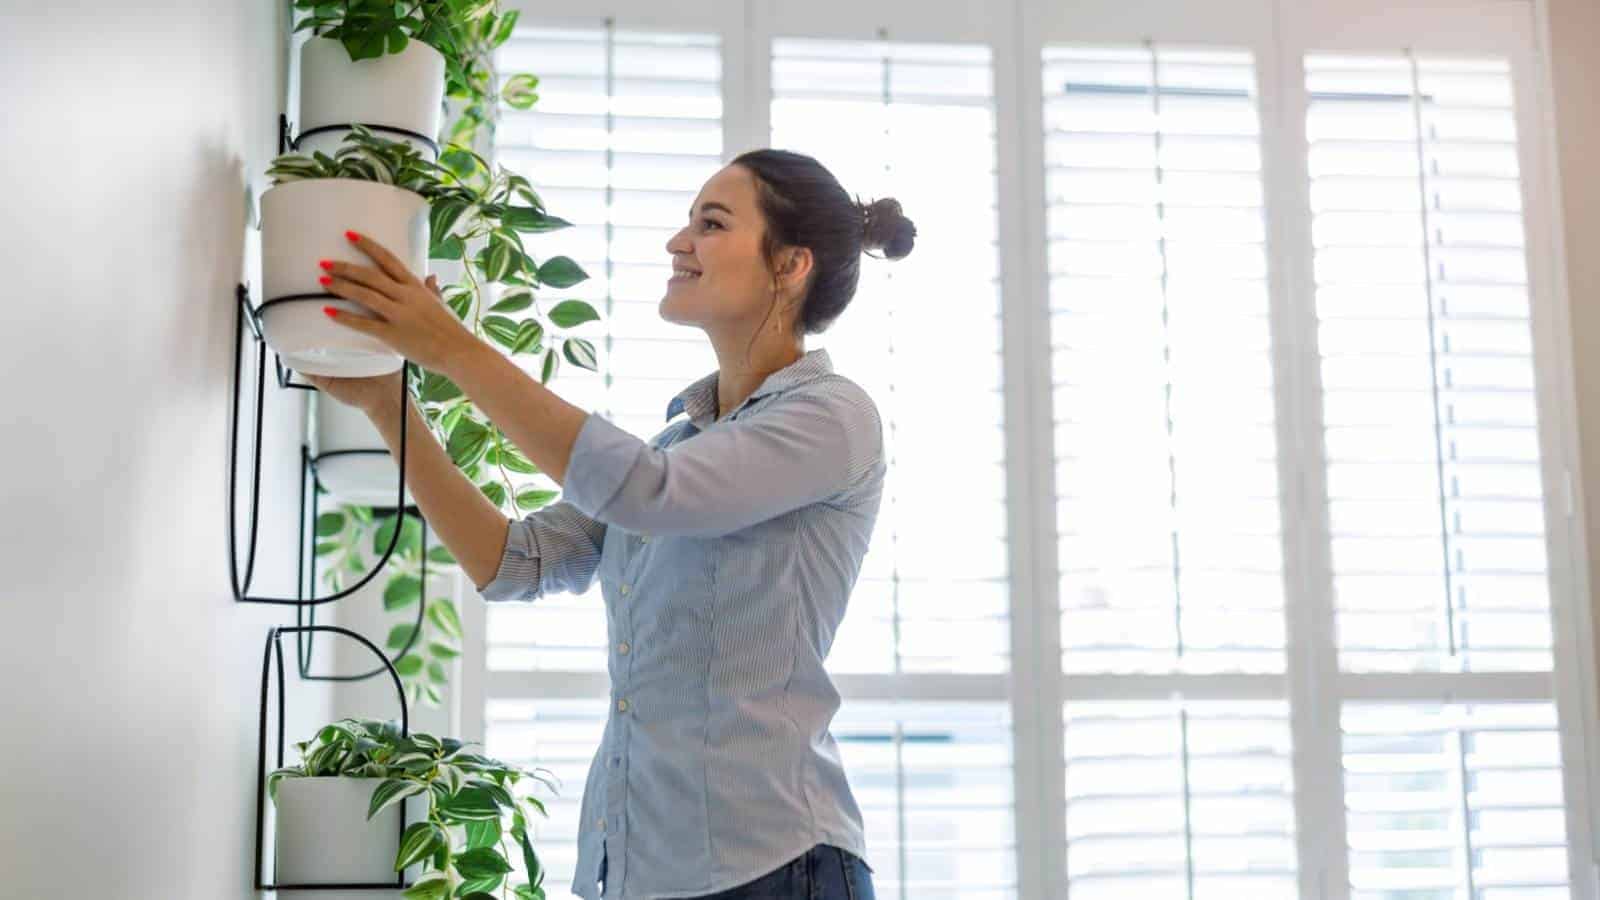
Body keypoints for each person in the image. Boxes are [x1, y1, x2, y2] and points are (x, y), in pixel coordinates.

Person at [303, 148, 916, 900]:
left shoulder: (832, 417)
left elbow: (649, 494)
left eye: (711, 223)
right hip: (636, 873)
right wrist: (388, 404)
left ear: (789, 266)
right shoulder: (678, 447)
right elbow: (515, 562)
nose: (677, 242)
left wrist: (451, 347)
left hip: (777, 865)